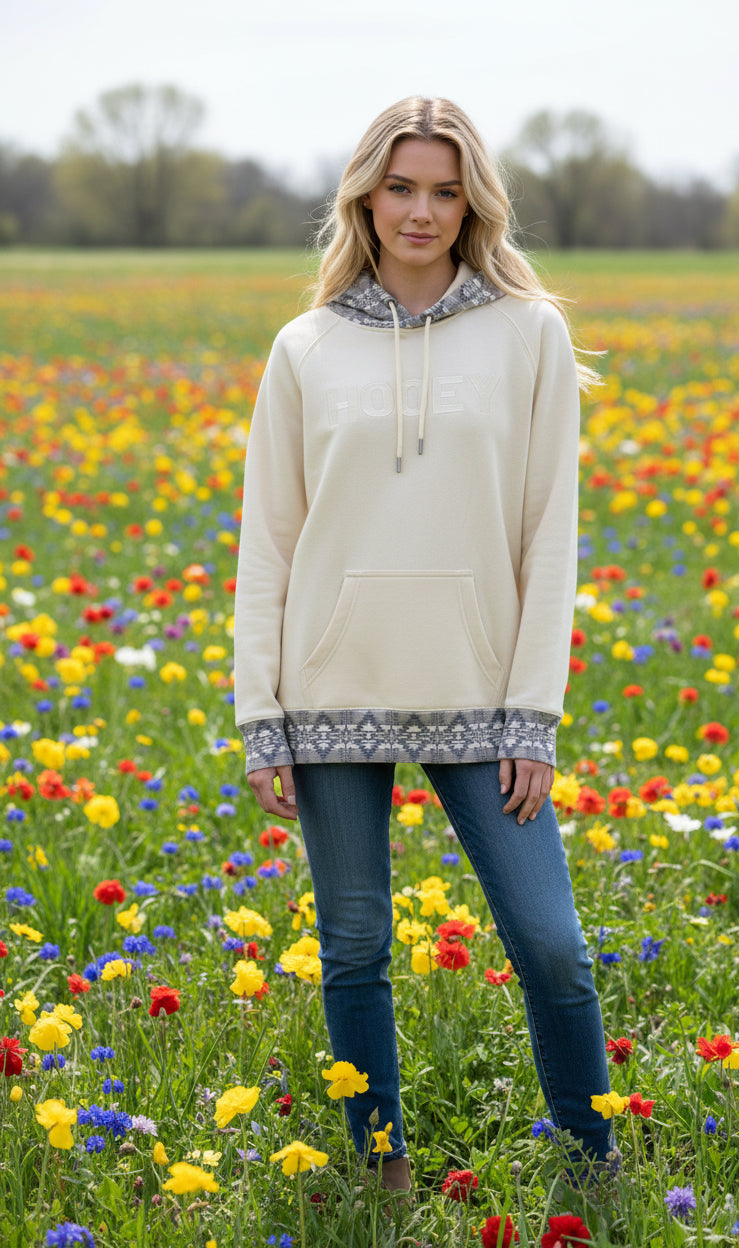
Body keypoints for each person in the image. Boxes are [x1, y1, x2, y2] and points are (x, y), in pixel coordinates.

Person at [234, 96, 613, 1196]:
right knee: (353, 947)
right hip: (327, 691)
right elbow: (269, 543)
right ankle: (379, 1170)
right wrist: (261, 714)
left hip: (483, 695)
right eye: (400, 187)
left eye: (446, 191)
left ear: (473, 203)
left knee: (552, 945)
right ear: (365, 196)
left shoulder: (529, 334)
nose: (421, 212)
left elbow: (549, 538)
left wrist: (532, 713)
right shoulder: (304, 348)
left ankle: (591, 1164)